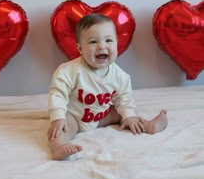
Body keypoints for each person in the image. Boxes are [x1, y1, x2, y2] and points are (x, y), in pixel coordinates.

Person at [48, 13, 168, 160]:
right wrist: (57, 117)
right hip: (76, 116)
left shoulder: (120, 76)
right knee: (61, 127)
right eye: (93, 42)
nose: (101, 46)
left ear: (116, 44)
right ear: (80, 48)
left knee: (124, 113)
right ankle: (59, 147)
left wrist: (128, 115)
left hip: (101, 115)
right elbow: (58, 94)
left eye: (109, 40)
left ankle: (148, 125)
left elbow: (123, 98)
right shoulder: (69, 71)